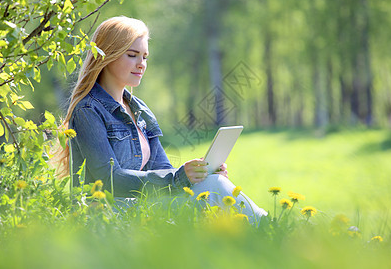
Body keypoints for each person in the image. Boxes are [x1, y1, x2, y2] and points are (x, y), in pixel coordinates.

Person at [57, 16, 266, 223]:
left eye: (145, 57)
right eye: (132, 55)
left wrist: (199, 172)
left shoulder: (139, 109)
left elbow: (163, 169)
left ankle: (266, 227)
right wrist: (178, 178)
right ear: (107, 55)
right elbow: (109, 178)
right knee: (214, 189)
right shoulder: (87, 109)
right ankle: (270, 226)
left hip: (141, 206)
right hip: (109, 214)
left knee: (213, 182)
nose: (141, 64)